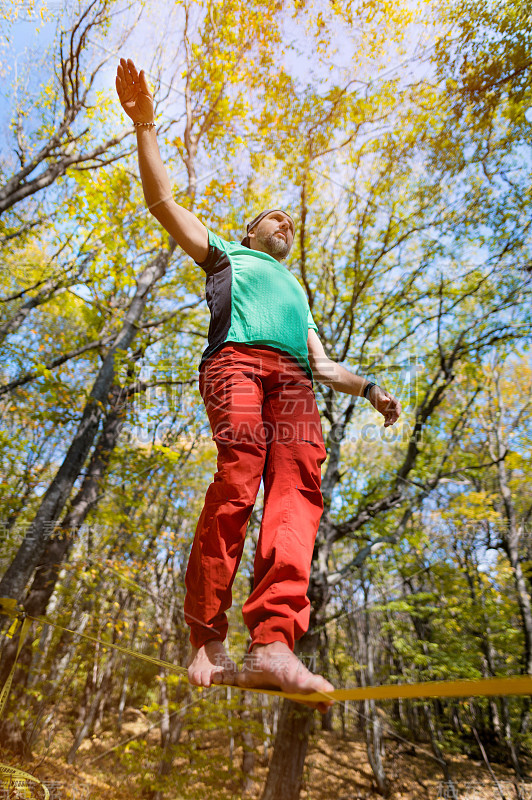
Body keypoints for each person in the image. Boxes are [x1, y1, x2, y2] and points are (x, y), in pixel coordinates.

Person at [116, 57, 402, 713]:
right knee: (239, 480)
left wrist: (371, 389)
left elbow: (325, 365)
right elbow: (162, 204)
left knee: (300, 489)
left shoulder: (297, 289)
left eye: (290, 223)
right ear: (249, 232)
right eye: (274, 218)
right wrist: (146, 127)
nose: (285, 224)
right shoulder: (228, 253)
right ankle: (207, 638)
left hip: (297, 381)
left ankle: (274, 643)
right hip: (238, 363)